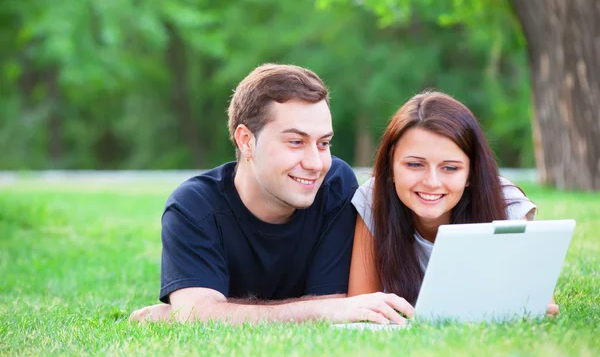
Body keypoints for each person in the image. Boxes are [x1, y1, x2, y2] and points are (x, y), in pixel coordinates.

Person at [130, 63, 414, 325]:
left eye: (324, 143)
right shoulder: (194, 206)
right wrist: (197, 311)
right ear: (246, 141)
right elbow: (197, 314)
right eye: (295, 142)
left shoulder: (335, 184)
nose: (315, 163)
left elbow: (337, 305)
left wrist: (204, 311)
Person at [348, 90, 560, 316]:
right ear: (391, 166)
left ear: (471, 173)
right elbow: (361, 308)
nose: (431, 182)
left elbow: (540, 309)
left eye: (450, 168)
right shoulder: (373, 199)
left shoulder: (507, 206)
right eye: (414, 165)